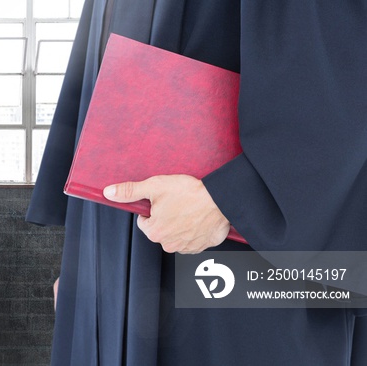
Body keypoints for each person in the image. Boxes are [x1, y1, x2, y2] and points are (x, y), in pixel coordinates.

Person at [27, 0, 367, 364]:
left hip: (240, 250)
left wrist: (231, 199)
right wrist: (84, 256)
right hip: (119, 243)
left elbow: (342, 64)